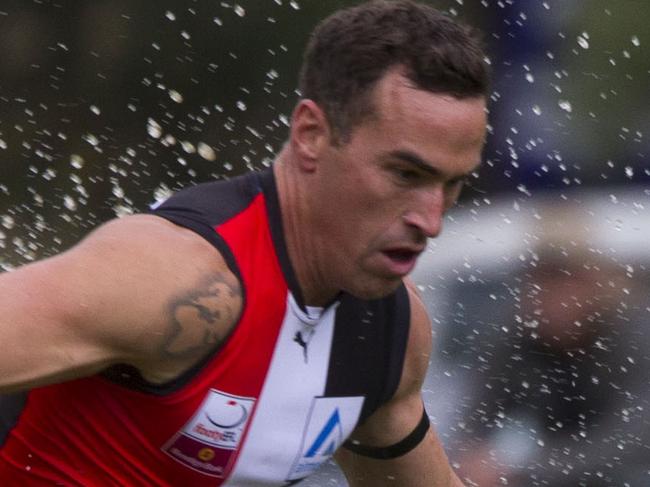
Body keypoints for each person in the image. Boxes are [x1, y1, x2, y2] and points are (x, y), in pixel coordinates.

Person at [0, 1, 489, 485]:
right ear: (312, 135)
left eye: (452, 184)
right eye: (405, 173)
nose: (431, 219)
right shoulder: (176, 277)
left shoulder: (390, 335)